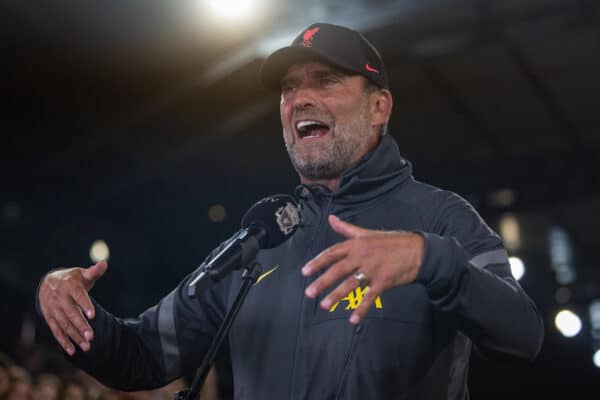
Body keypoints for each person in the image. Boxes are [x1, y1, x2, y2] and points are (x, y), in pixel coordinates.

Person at [36, 22, 544, 399]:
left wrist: (431, 260)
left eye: (326, 81)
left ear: (379, 107)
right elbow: (142, 355)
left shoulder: (439, 219)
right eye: (289, 88)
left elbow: (522, 333)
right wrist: (71, 311)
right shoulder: (259, 240)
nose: (299, 99)